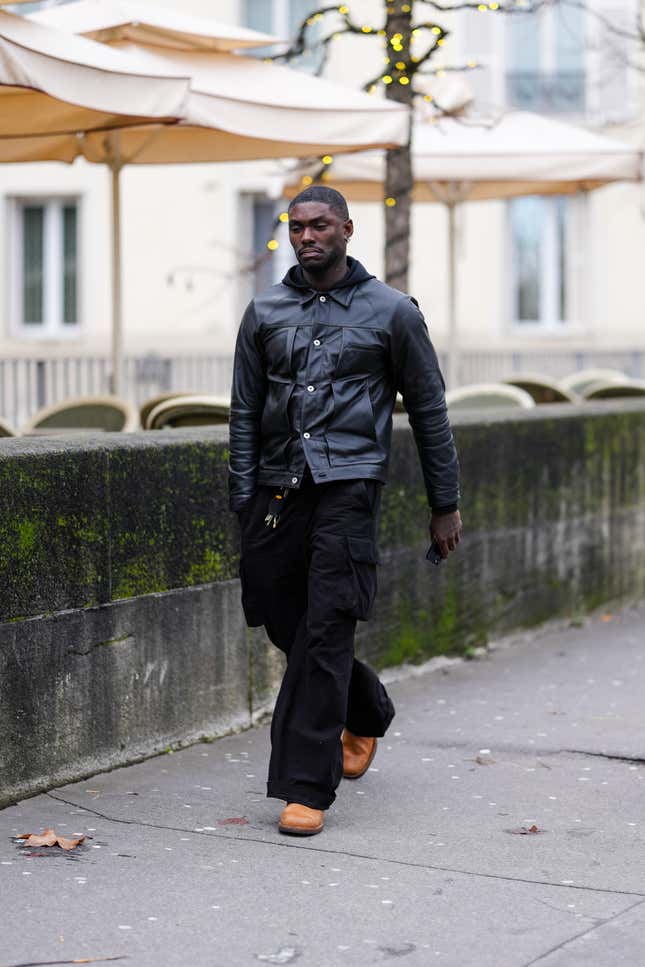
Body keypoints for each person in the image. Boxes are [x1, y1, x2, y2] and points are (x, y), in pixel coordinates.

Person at [228, 185, 461, 836]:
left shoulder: (392, 313)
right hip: (276, 491)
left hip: (349, 488)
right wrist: (241, 497)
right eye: (296, 226)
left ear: (347, 230)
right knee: (286, 623)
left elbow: (430, 411)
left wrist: (444, 504)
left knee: (327, 625)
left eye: (319, 225)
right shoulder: (265, 310)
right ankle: (365, 709)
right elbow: (243, 412)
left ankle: (306, 785)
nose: (306, 236)